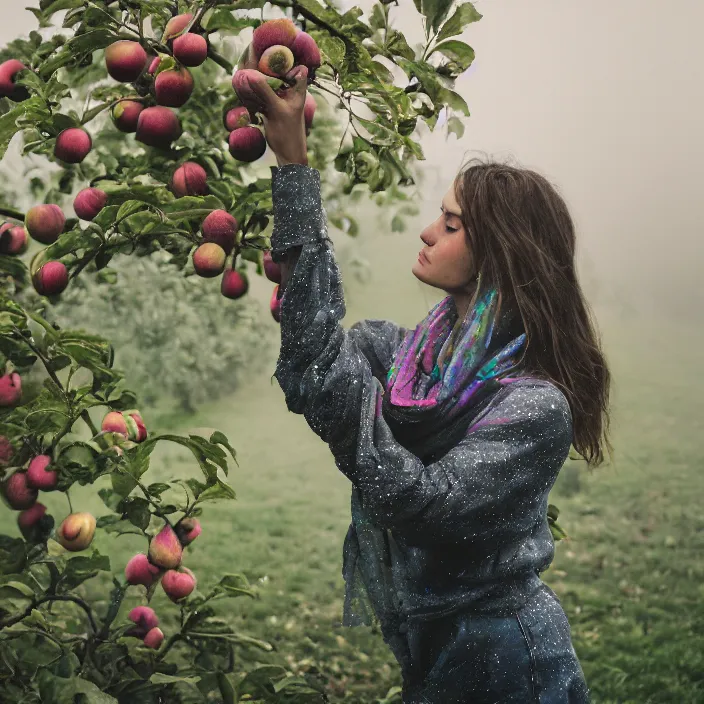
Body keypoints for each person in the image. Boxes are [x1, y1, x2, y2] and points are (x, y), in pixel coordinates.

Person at [234, 63, 611, 704]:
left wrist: (347, 398)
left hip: (506, 658)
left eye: (453, 223)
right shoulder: (411, 357)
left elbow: (426, 505)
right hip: (430, 645)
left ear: (501, 250)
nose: (428, 231)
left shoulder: (534, 404)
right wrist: (291, 166)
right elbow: (313, 360)